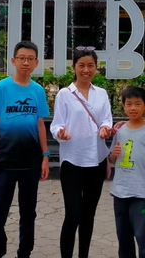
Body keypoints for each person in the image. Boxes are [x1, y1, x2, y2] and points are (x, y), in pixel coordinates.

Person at [0, 41, 50, 258]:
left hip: (31, 162)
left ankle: (24, 252)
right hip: (4, 161)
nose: (26, 62)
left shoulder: (38, 91)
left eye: (30, 58)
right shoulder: (0, 88)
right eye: (22, 58)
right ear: (13, 61)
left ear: (36, 63)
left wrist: (46, 156)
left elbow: (40, 124)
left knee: (28, 213)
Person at [50, 46, 113, 258]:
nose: (86, 70)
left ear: (96, 68)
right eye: (81, 65)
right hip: (72, 162)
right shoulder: (65, 95)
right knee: (73, 214)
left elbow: (106, 119)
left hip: (96, 160)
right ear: (74, 68)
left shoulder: (102, 94)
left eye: (91, 66)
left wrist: (105, 128)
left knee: (89, 215)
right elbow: (56, 124)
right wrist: (61, 132)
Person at [109, 86, 145, 258]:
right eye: (129, 104)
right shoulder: (120, 131)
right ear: (124, 106)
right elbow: (111, 159)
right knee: (123, 237)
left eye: (138, 104)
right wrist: (113, 155)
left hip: (140, 194)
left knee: (144, 238)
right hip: (119, 192)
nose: (133, 108)